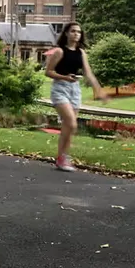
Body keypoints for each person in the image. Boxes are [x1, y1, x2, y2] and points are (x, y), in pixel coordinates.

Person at [44, 22, 109, 172]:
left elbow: (88, 73)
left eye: (78, 32)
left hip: (75, 90)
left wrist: (99, 91)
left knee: (68, 127)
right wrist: (65, 77)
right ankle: (63, 158)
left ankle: (62, 158)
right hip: (60, 88)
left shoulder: (81, 53)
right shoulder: (59, 51)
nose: (76, 34)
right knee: (71, 124)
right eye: (73, 31)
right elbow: (48, 72)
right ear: (66, 33)